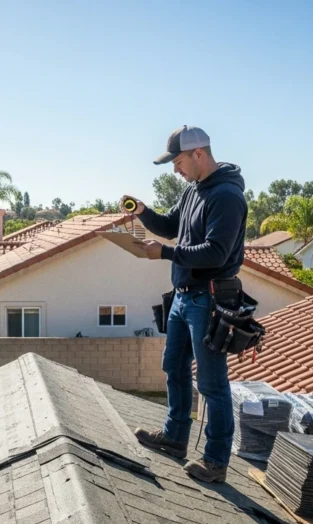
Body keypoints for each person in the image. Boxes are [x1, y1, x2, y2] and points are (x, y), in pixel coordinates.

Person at [120, 125, 247, 483]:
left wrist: (164, 254)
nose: (176, 170)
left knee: (211, 383)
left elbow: (215, 252)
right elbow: (169, 224)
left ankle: (216, 462)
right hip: (182, 297)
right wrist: (142, 210)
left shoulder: (226, 196)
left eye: (177, 162)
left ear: (199, 154)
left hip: (208, 297)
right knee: (173, 367)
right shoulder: (195, 191)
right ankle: (175, 438)